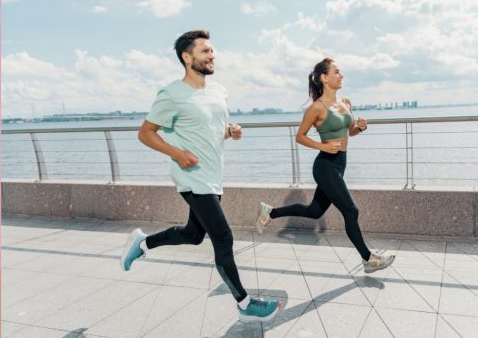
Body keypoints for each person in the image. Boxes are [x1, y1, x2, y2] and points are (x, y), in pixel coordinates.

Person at [119, 30, 281, 322]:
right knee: (223, 237)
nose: (211, 55)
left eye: (211, 51)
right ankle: (245, 304)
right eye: (205, 51)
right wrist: (177, 154)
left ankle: (141, 244)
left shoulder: (218, 91)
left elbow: (211, 131)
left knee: (193, 235)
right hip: (191, 177)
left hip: (213, 175)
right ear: (187, 57)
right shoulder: (171, 94)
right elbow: (145, 133)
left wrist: (231, 132)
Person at [256, 58, 395, 274]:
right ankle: (368, 258)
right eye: (337, 72)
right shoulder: (316, 108)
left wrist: (360, 127)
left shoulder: (346, 102)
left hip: (340, 164)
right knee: (351, 210)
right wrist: (323, 146)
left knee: (314, 211)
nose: (342, 76)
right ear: (324, 77)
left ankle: (270, 212)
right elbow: (300, 137)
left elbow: (350, 132)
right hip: (325, 165)